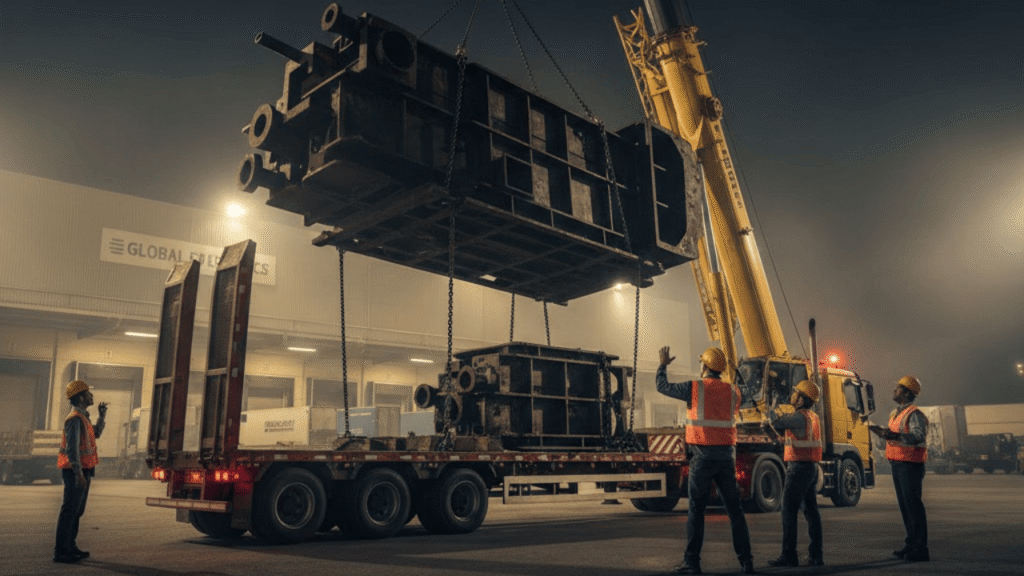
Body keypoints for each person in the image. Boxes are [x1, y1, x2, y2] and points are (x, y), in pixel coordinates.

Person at [657, 346, 754, 575]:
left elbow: (662, 387)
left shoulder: (695, 388)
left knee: (696, 511)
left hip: (702, 457)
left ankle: (692, 563)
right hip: (726, 459)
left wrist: (662, 365)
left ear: (705, 366)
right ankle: (747, 561)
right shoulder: (734, 392)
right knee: (735, 512)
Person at [869, 375, 929, 562]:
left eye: (899, 388)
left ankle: (920, 549)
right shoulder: (895, 414)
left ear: (907, 393)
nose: (895, 391)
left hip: (910, 465)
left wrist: (893, 435)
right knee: (906, 508)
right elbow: (894, 435)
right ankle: (911, 544)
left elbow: (917, 436)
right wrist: (882, 432)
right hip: (898, 464)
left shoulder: (914, 414)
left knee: (913, 507)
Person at [764, 380, 824, 567]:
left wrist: (771, 407)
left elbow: (777, 421)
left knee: (788, 511)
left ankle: (789, 555)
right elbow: (786, 439)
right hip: (810, 468)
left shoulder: (799, 416)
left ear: (802, 398)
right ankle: (816, 556)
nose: (792, 395)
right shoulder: (812, 416)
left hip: (798, 469)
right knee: (811, 512)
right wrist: (771, 433)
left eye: (795, 393)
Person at [54, 380, 106, 564]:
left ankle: (70, 546)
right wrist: (78, 474)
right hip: (76, 471)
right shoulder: (75, 418)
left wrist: (102, 416)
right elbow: (72, 449)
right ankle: (61, 551)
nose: (92, 396)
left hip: (85, 470)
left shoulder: (84, 417)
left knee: (77, 511)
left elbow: (96, 433)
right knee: (69, 511)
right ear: (81, 397)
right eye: (88, 393)